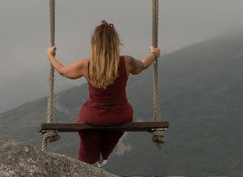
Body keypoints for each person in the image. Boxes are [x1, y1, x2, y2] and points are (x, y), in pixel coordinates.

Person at [47, 21, 161, 165]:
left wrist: (50, 55)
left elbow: (63, 71)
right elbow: (142, 65)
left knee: (86, 133)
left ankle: (87, 162)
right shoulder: (126, 62)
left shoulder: (86, 65)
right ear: (115, 43)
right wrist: (154, 54)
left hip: (94, 116)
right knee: (117, 125)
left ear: (94, 44)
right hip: (120, 115)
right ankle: (104, 153)